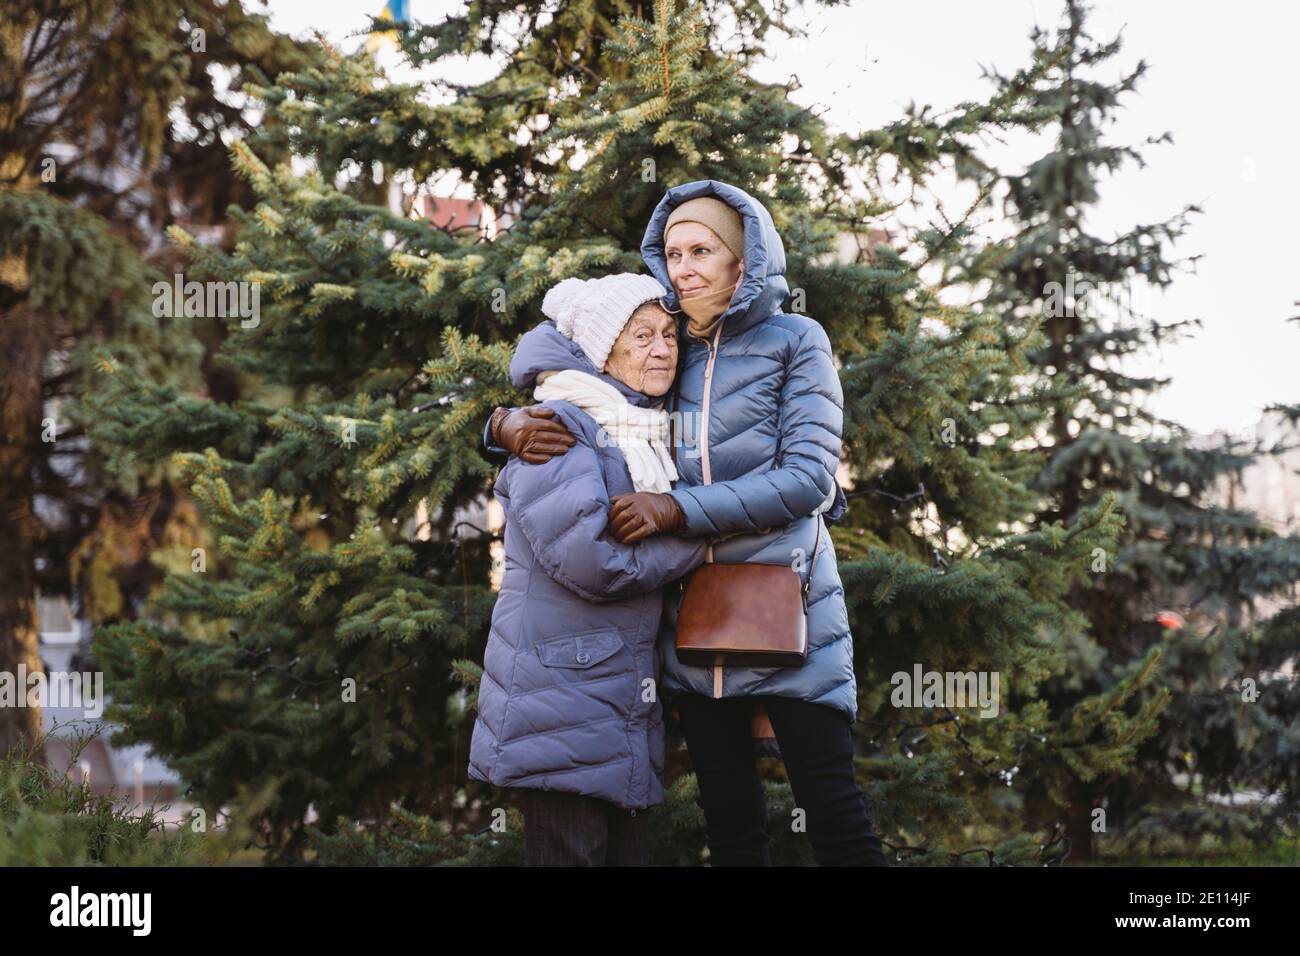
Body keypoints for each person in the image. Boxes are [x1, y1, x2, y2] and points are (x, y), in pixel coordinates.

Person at [486, 181, 891, 866]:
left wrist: (676, 511)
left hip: (788, 615)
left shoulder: (795, 340)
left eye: (703, 249)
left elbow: (809, 480)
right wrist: (502, 424)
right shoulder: (670, 346)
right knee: (733, 832)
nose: (685, 268)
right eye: (673, 253)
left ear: (744, 259)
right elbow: (568, 358)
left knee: (835, 819)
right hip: (692, 638)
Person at [467, 271, 708, 866]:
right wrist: (696, 539)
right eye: (642, 336)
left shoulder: (641, 428)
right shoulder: (563, 426)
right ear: (604, 349)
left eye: (669, 335)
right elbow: (594, 563)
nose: (661, 349)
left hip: (609, 702)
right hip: (562, 700)